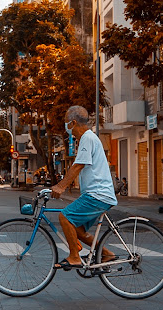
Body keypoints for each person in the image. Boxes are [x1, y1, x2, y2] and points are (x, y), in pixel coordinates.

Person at [51, 106, 118, 270]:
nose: (66, 127)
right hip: (97, 194)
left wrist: (60, 187)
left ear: (73, 123)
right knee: (76, 229)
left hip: (97, 195)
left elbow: (78, 166)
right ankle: (106, 253)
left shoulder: (87, 138)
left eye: (67, 123)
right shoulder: (87, 139)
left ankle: (74, 256)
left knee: (64, 217)